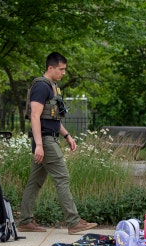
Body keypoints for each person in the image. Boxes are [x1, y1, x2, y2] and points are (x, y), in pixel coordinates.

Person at [17, 52, 98, 235]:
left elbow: (52, 118)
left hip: (49, 137)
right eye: (61, 69)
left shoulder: (53, 87)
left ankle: (25, 221)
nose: (63, 73)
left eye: (64, 70)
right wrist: (39, 144)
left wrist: (67, 136)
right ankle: (74, 221)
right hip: (45, 140)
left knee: (35, 181)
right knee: (63, 177)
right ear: (50, 68)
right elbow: (35, 116)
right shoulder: (41, 86)